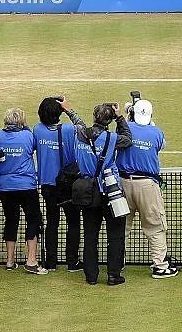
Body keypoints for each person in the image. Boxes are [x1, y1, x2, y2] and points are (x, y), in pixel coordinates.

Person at [116, 98, 178, 278]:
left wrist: (129, 118)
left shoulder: (124, 128)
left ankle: (117, 262)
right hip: (148, 186)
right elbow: (161, 145)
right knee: (155, 226)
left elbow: (123, 133)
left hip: (123, 184)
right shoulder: (156, 132)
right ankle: (160, 266)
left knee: (122, 226)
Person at [73, 101, 131, 286]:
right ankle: (113, 274)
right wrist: (120, 118)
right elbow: (128, 139)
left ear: (94, 117)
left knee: (90, 234)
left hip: (88, 192)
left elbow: (78, 123)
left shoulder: (80, 134)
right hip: (110, 190)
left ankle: (91, 275)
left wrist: (70, 111)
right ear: (110, 120)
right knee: (115, 235)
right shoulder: (112, 138)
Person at [0, 107, 47, 274]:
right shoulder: (28, 136)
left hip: (5, 185)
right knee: (33, 219)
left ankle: (10, 260)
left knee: (11, 220)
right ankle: (31, 260)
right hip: (26, 185)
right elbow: (33, 145)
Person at [34, 96, 82, 272]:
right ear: (59, 113)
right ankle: (72, 262)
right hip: (68, 183)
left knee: (52, 222)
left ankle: (51, 262)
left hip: (47, 183)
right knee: (73, 222)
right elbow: (83, 127)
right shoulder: (70, 130)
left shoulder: (38, 130)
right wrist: (68, 109)